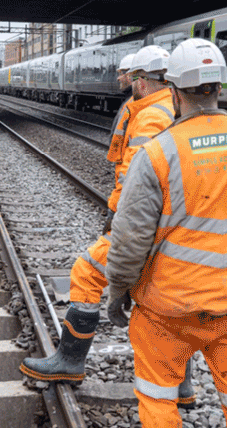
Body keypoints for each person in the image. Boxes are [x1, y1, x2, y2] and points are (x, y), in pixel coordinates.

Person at [105, 38, 227, 428]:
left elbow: (129, 239)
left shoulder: (158, 152)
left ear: (173, 92)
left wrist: (118, 291)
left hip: (168, 310)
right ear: (219, 89)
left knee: (158, 397)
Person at [20, 45, 198, 408]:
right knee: (158, 295)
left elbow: (138, 180)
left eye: (129, 77)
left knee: (86, 272)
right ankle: (181, 384)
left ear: (143, 81)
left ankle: (69, 361)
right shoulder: (168, 108)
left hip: (143, 226)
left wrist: (119, 220)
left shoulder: (151, 117)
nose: (124, 82)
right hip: (169, 224)